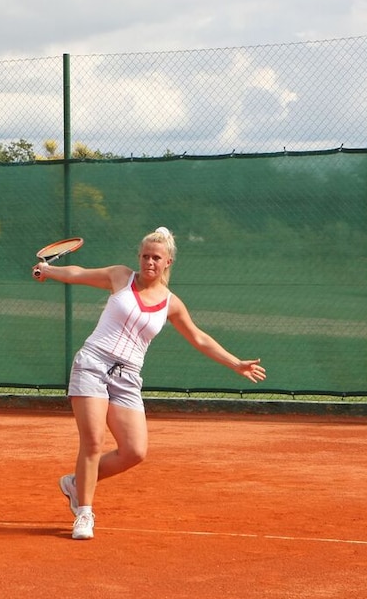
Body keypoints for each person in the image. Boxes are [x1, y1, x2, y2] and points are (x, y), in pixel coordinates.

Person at [32, 226, 266, 540]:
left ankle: (75, 484)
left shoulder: (172, 303)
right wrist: (49, 271)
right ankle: (84, 513)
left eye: (156, 257)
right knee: (93, 442)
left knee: (134, 451)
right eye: (145, 256)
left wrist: (235, 363)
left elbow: (198, 337)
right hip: (92, 364)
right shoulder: (120, 277)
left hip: (128, 376)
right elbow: (79, 273)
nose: (149, 262)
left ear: (168, 262)